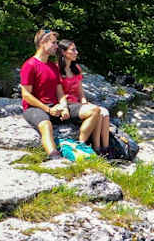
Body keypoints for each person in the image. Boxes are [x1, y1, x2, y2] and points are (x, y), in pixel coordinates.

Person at [20, 29, 98, 157]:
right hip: (35, 108)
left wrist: (64, 106)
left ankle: (79, 146)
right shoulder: (30, 65)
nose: (57, 47)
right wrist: (48, 109)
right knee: (46, 125)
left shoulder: (52, 66)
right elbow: (26, 95)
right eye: (54, 43)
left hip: (56, 107)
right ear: (42, 43)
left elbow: (60, 92)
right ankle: (54, 155)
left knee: (94, 110)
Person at [55, 38, 110, 152]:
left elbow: (80, 92)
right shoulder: (56, 70)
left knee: (104, 112)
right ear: (63, 52)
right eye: (73, 50)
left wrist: (84, 101)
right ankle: (93, 147)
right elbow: (58, 94)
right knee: (97, 112)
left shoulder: (76, 68)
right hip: (66, 105)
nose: (77, 52)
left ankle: (104, 148)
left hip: (77, 104)